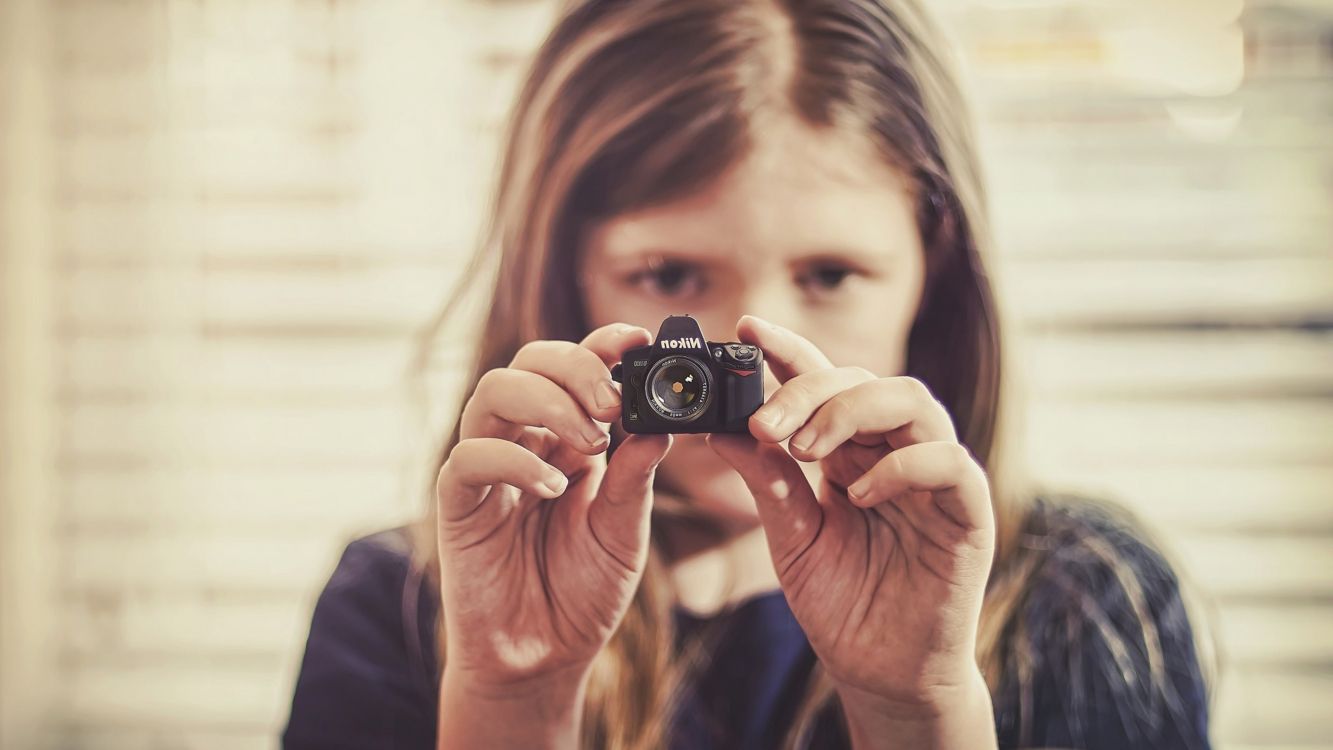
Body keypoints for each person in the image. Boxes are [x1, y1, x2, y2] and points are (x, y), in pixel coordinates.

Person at [283, 0, 1214, 747]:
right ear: (562, 275)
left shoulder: (1089, 605)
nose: (749, 354)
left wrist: (920, 712)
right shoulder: (408, 609)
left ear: (933, 276)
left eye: (831, 275)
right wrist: (510, 701)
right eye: (666, 276)